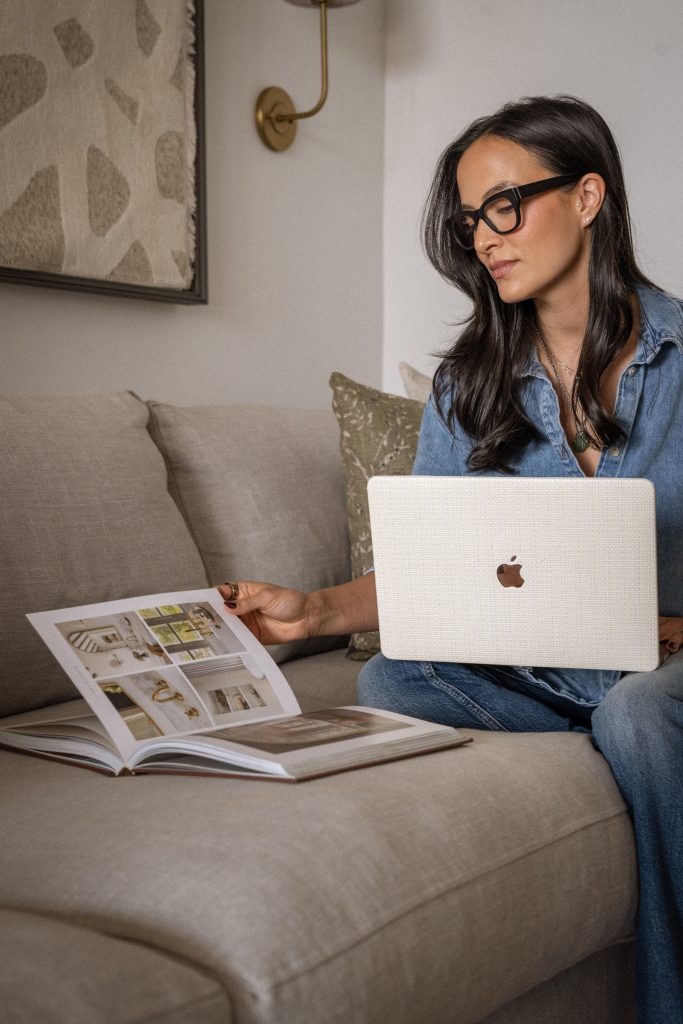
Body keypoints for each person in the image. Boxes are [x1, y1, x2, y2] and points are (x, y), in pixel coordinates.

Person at [218, 95, 683, 1022]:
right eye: (472, 219)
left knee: (637, 711)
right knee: (393, 678)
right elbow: (435, 573)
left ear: (588, 195)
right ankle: (606, 725)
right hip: (555, 668)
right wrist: (311, 612)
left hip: (665, 670)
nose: (485, 237)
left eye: (505, 205)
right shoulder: (467, 386)